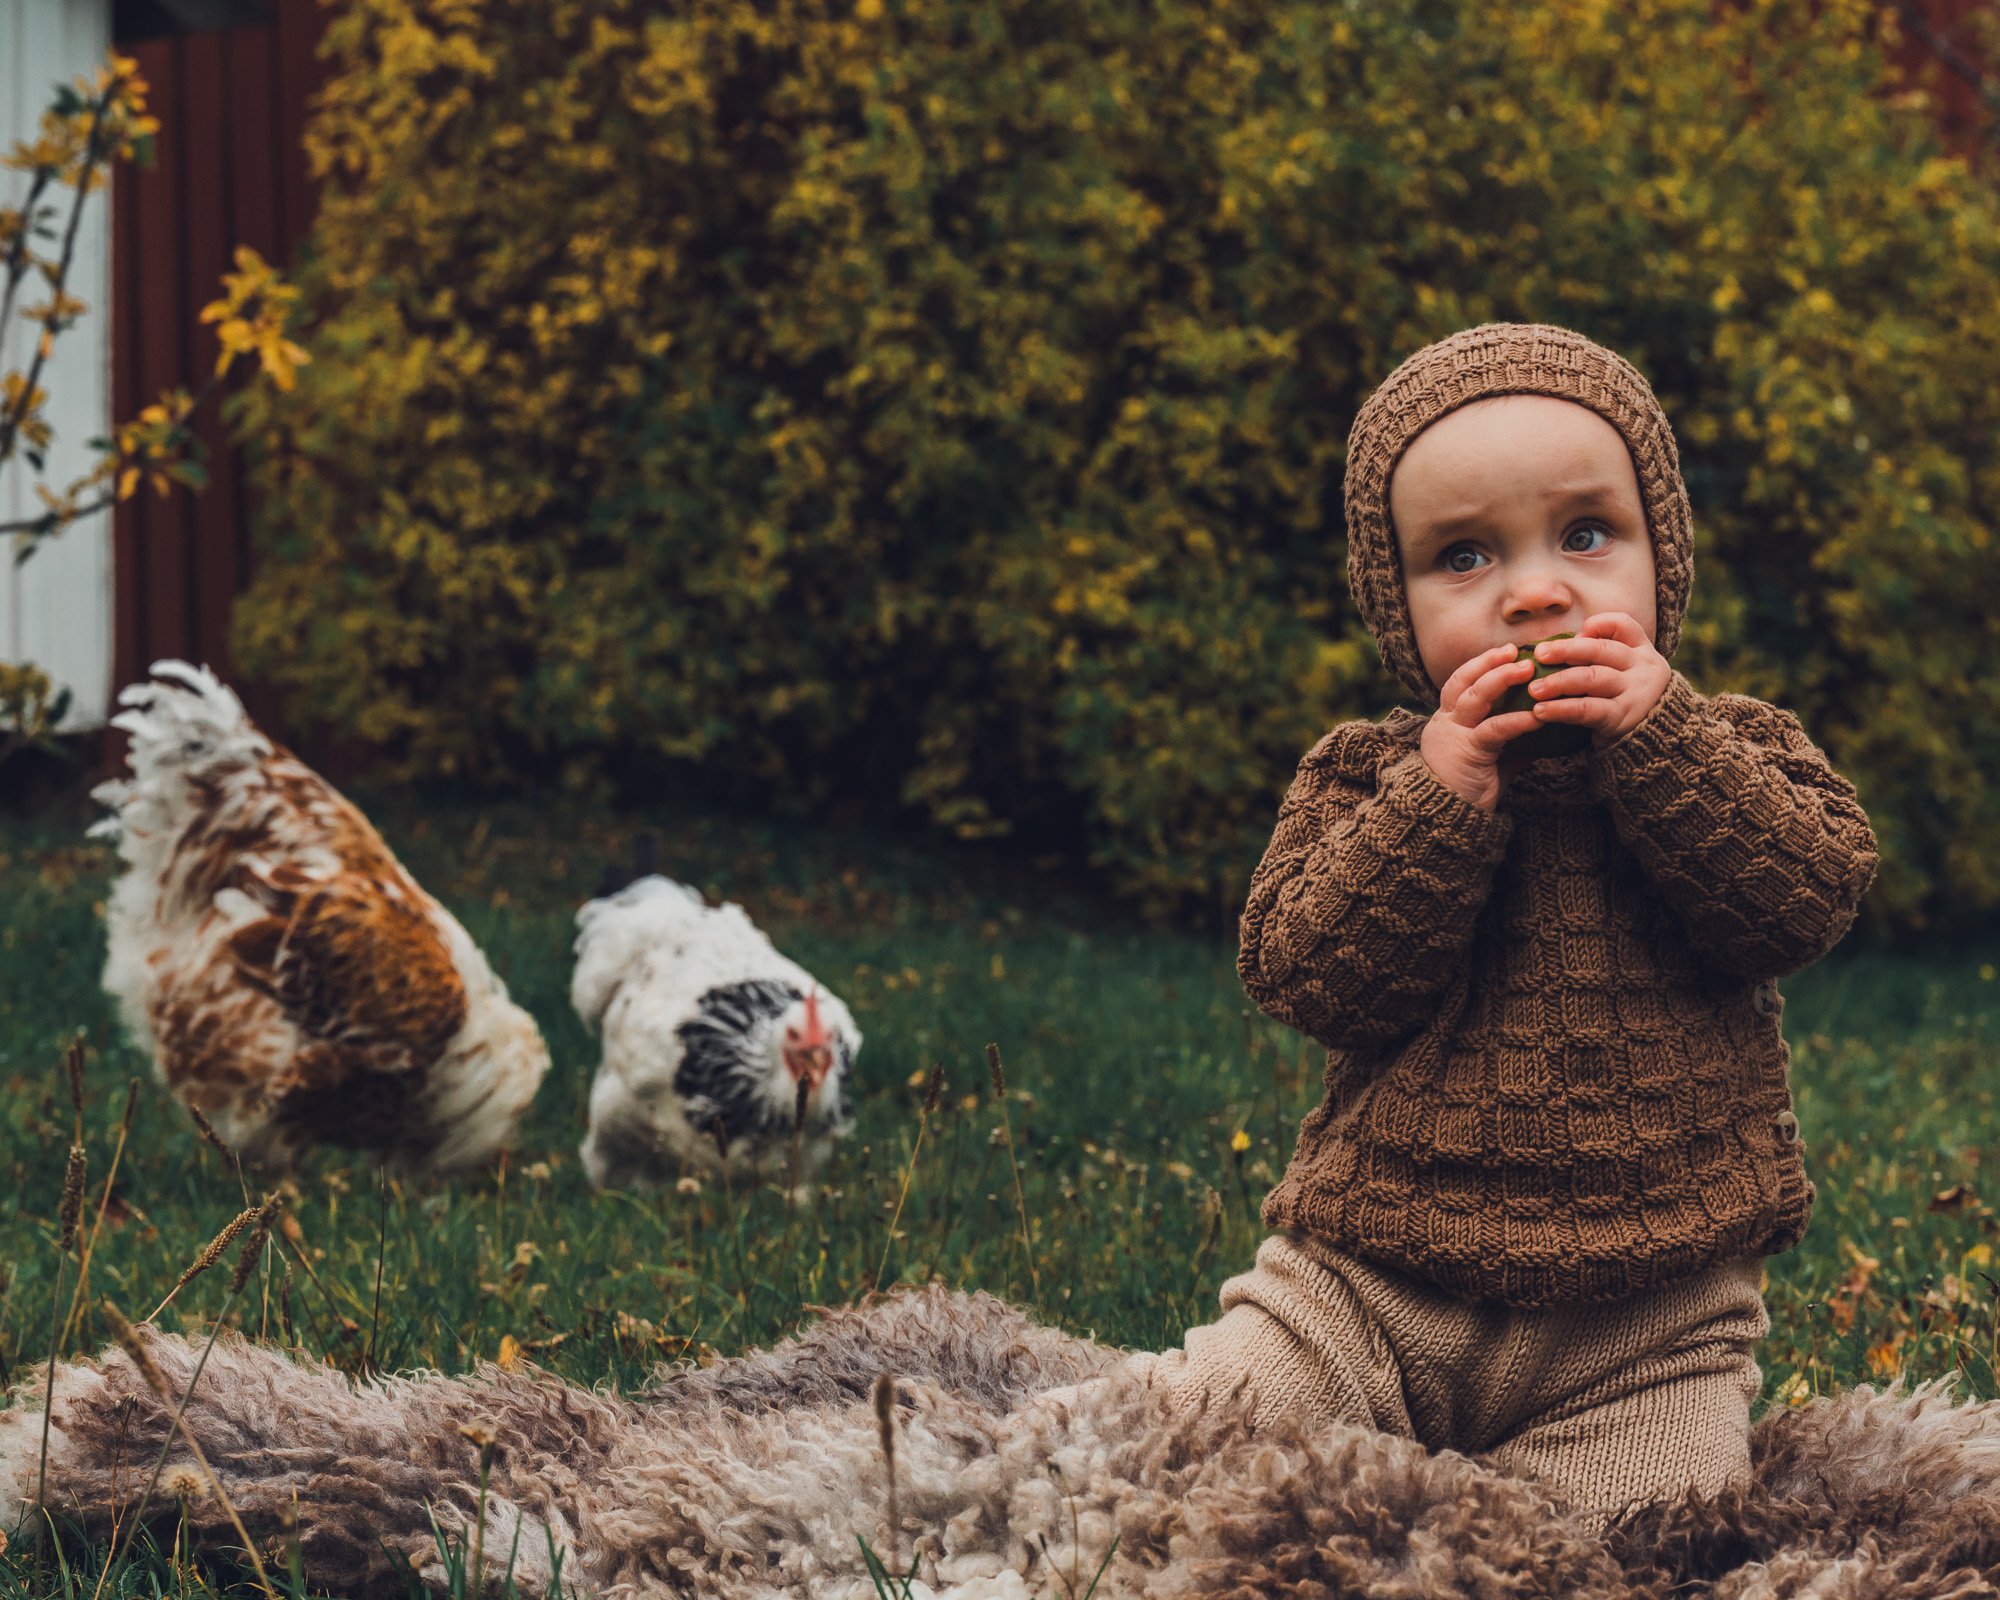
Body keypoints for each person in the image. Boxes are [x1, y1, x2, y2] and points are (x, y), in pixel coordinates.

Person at [1148, 321, 1881, 1526]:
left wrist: (1665, 739)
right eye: (1462, 555)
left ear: (1662, 556)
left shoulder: (1733, 744)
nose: (1534, 591)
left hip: (1646, 1328)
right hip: (1368, 1287)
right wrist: (1436, 798)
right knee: (1180, 1449)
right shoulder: (1368, 774)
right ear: (1394, 608)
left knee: (1650, 1535)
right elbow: (1306, 976)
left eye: (1584, 535)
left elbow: (1800, 900)